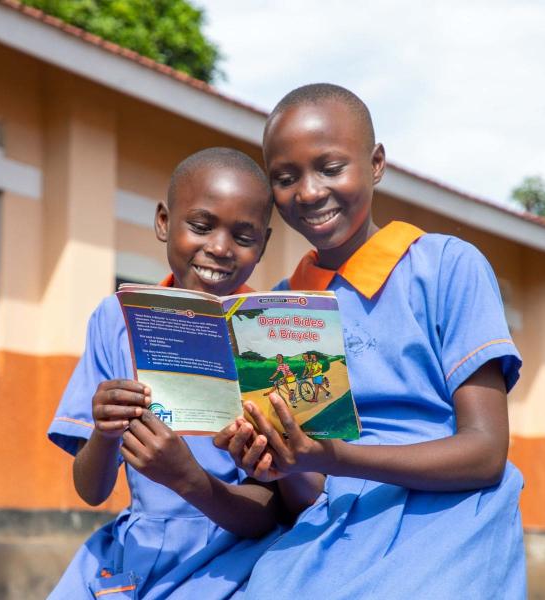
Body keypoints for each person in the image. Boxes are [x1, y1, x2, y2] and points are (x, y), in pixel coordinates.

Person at [216, 84, 526, 599]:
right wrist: (284, 461)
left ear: (377, 163)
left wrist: (333, 457)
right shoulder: (281, 308)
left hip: (448, 526)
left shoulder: (446, 266)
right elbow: (308, 490)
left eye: (331, 168)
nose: (309, 192)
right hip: (332, 532)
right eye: (285, 178)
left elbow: (486, 452)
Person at [47, 148, 308, 599]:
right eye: (201, 226)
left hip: (231, 556)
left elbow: (269, 513)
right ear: (165, 222)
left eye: (243, 237)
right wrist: (106, 433)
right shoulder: (116, 319)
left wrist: (187, 479)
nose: (220, 248)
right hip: (137, 548)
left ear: (263, 245)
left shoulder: (269, 335)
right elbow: (90, 491)